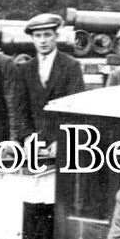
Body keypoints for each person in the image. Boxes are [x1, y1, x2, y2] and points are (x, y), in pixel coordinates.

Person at [18, 13, 85, 152]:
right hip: (34, 144)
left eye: (47, 35)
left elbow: (76, 110)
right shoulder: (25, 69)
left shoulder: (71, 66)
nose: (42, 41)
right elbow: (21, 109)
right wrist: (27, 137)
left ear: (56, 36)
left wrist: (62, 140)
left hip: (62, 142)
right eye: (38, 36)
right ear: (32, 38)